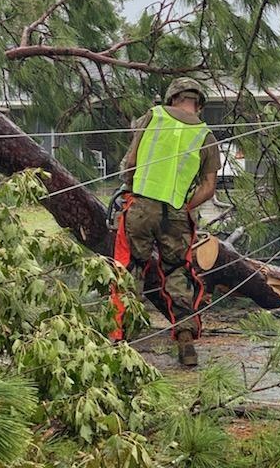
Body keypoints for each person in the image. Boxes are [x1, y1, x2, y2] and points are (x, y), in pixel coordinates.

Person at [111, 78, 221, 366]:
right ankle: (185, 342)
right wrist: (185, 206)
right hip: (176, 216)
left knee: (129, 269)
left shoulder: (154, 116)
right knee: (178, 272)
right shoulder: (205, 135)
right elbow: (209, 187)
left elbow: (132, 161)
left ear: (173, 97)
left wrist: (130, 187)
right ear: (199, 103)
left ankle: (120, 341)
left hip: (141, 207)